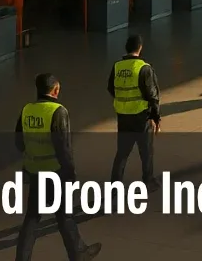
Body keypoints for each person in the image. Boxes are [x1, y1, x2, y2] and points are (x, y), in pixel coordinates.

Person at [16, 74, 102, 261]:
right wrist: (70, 172)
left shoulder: (27, 109)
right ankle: (78, 254)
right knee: (64, 215)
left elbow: (19, 142)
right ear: (55, 90)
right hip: (55, 171)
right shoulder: (58, 112)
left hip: (34, 170)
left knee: (32, 217)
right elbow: (63, 146)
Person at [108, 35, 160, 189]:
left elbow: (111, 88)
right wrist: (156, 117)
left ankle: (115, 186)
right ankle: (148, 181)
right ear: (140, 48)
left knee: (122, 153)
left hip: (123, 117)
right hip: (141, 117)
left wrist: (124, 100)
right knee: (146, 151)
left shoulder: (117, 66)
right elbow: (152, 95)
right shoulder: (144, 68)